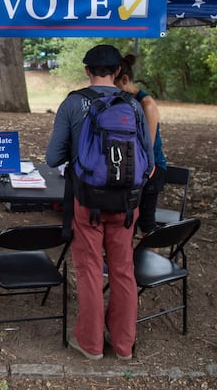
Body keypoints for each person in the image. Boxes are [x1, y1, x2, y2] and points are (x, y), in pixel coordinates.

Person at [46, 45, 154, 361]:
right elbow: (147, 161)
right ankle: (123, 345)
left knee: (90, 269)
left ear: (87, 71)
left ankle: (91, 344)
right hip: (126, 203)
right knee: (123, 270)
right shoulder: (133, 106)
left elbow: (53, 158)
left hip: (87, 202)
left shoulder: (73, 103)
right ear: (119, 72)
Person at [115, 54, 167, 237]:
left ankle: (153, 264)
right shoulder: (121, 102)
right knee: (126, 222)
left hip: (150, 168)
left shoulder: (147, 104)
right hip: (129, 167)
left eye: (115, 87)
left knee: (147, 224)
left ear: (125, 79)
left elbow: (148, 146)